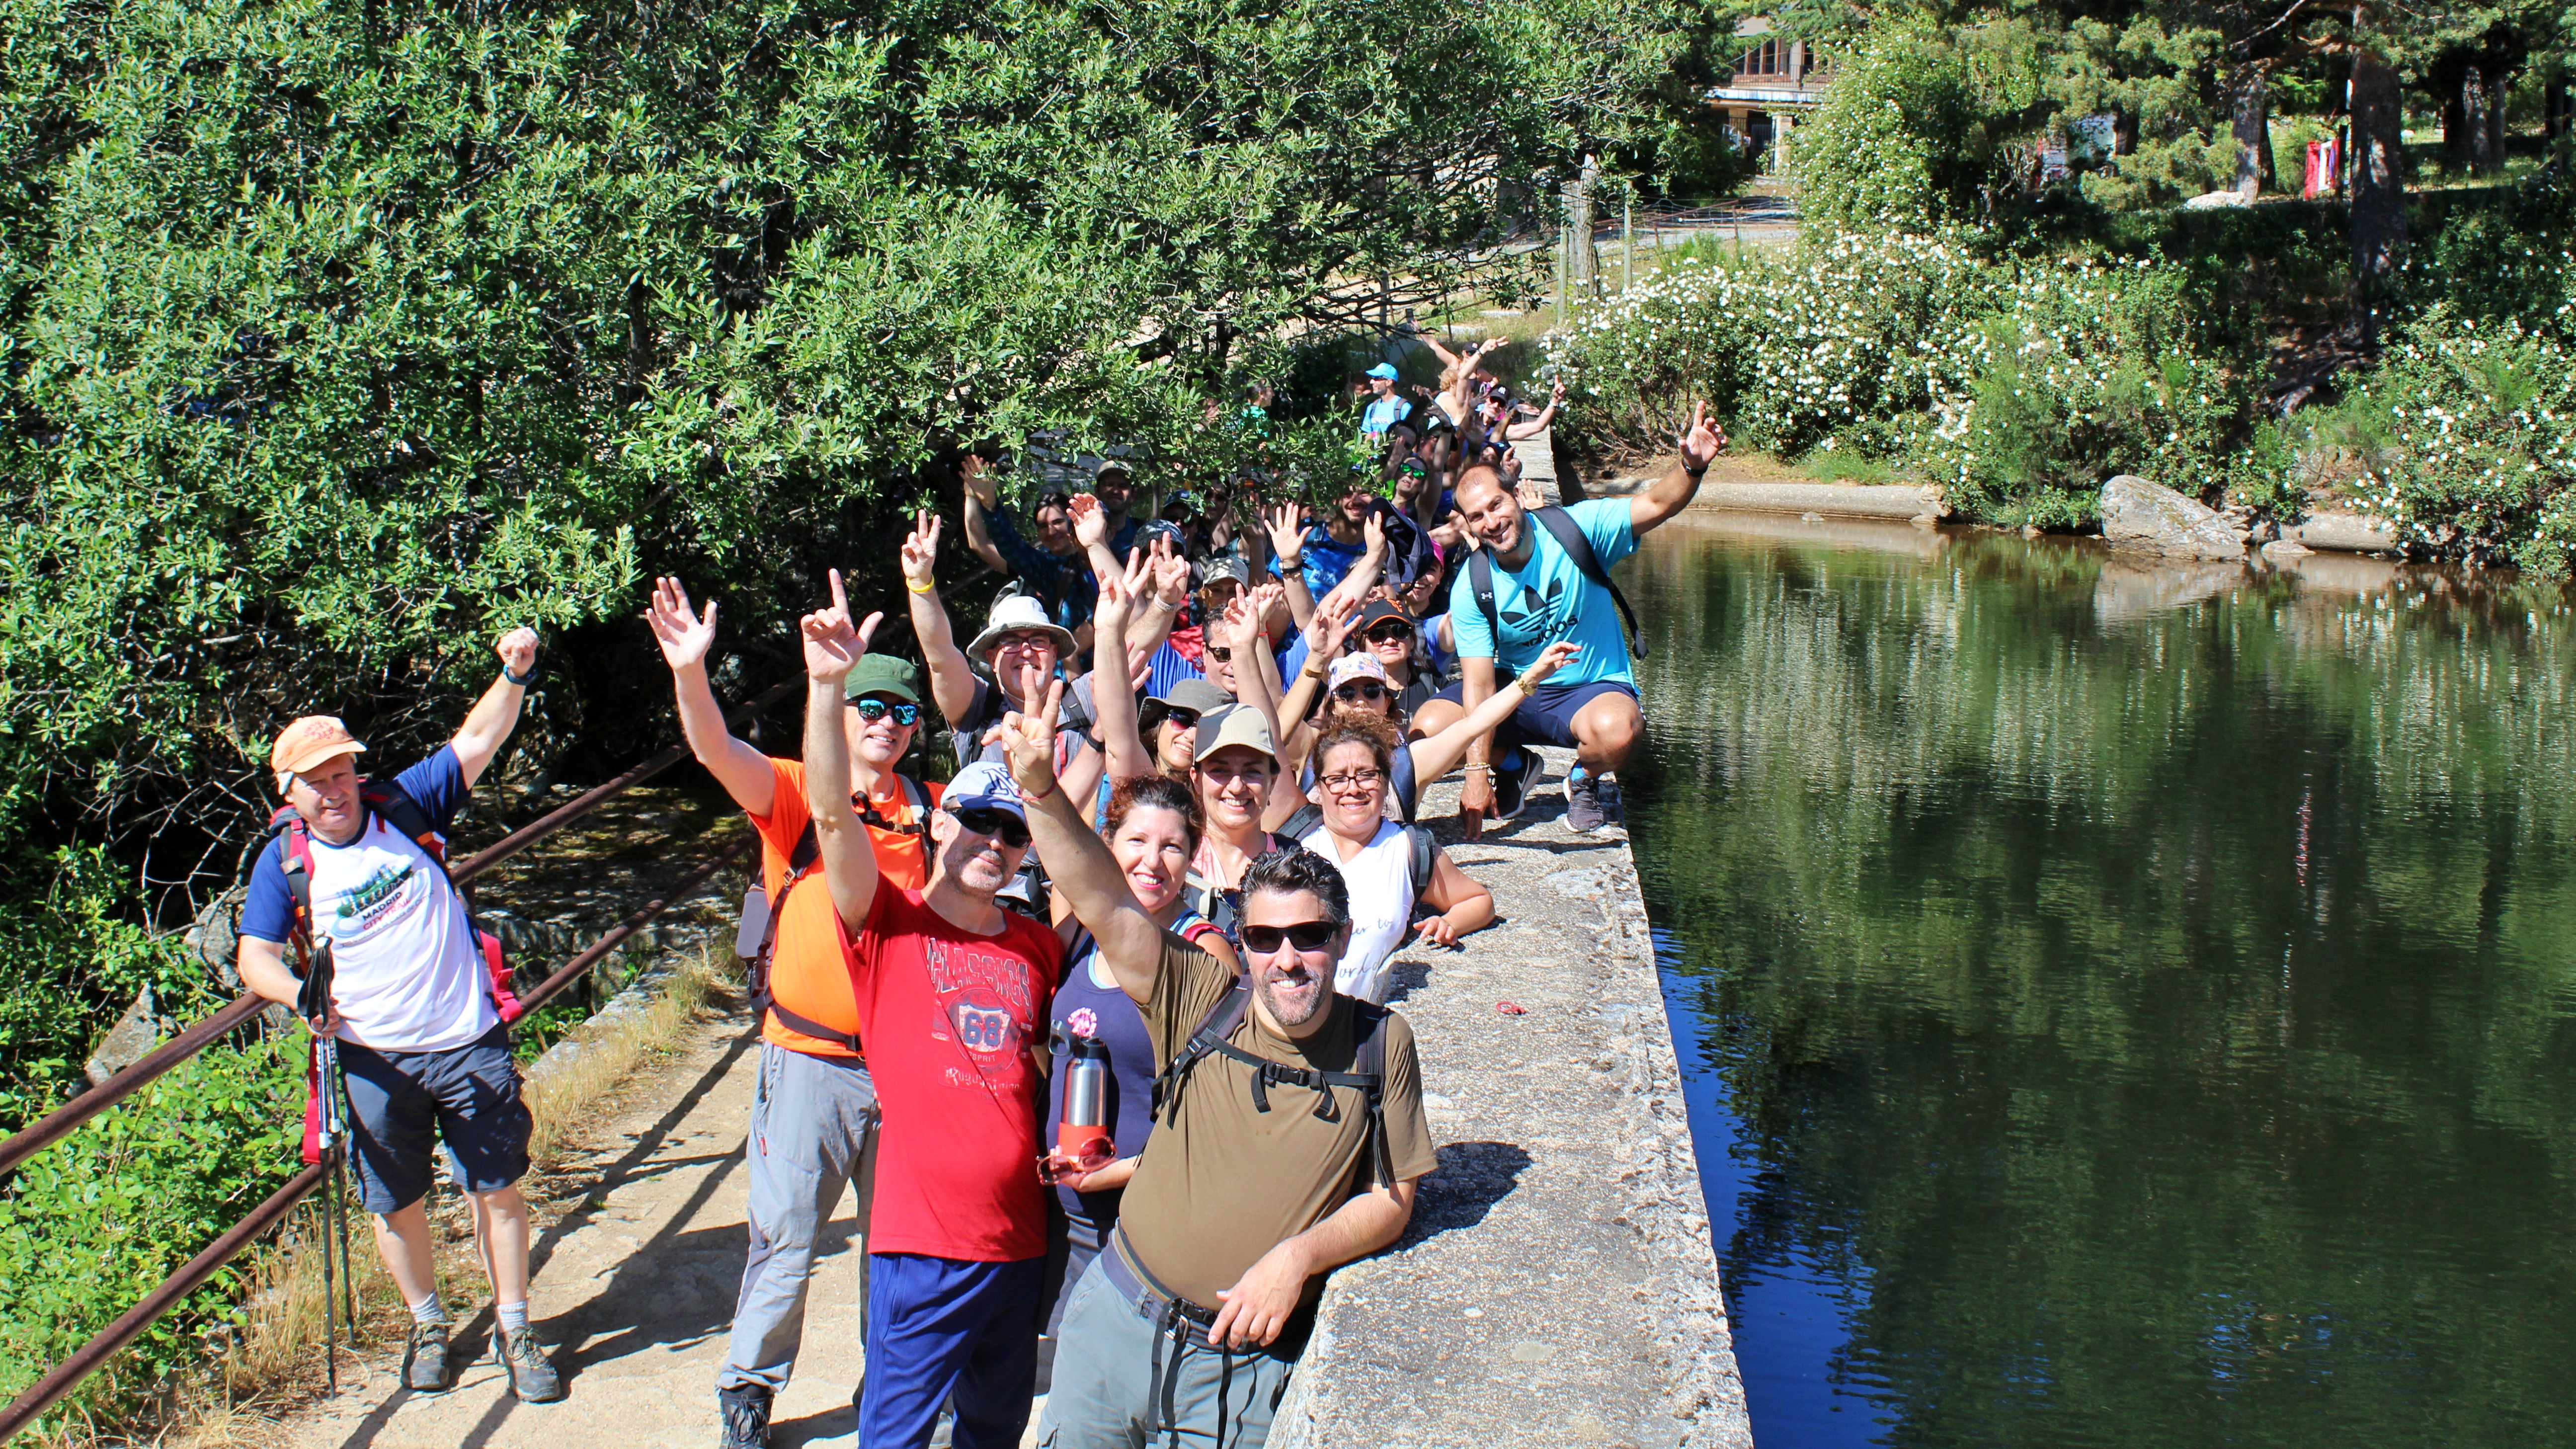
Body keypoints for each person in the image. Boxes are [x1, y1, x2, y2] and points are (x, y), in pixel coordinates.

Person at [1000, 694, 1434, 1448]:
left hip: (1236, 1370)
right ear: (1246, 939)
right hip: (1112, 1322)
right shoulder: (1202, 997)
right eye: (1266, 938)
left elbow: (1393, 1199)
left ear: (1344, 935)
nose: (1288, 958)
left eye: (1310, 935)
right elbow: (1101, 896)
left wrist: (1298, 1258)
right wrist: (1040, 787)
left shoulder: (1379, 1044)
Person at [644, 577, 942, 1449]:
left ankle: (889, 1380)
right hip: (807, 1059)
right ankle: (748, 1388)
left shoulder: (930, 812)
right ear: (840, 708)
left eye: (902, 711)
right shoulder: (794, 796)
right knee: (785, 1235)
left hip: (902, 1063)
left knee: (897, 1240)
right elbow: (713, 750)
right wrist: (690, 674)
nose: (887, 722)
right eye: (870, 705)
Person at [235, 628, 564, 1405]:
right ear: (290, 791)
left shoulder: (406, 804)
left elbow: (479, 737)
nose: (336, 788)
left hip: (467, 1040)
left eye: (343, 770)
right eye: (317, 780)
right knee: (396, 1201)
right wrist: (300, 998)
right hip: (374, 1060)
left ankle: (517, 1326)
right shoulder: (283, 863)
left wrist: (515, 672)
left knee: (499, 1187)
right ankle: (427, 1324)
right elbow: (256, 958)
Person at [795, 571, 1064, 1449]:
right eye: (979, 821)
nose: (994, 841)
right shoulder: (886, 926)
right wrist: (827, 685)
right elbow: (832, 818)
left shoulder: (1036, 947)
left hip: (1020, 1246)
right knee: (896, 1436)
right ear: (938, 825)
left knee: (991, 1433)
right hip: (922, 1248)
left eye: (1013, 829)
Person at [1414, 400, 1728, 835]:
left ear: (1517, 497)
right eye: (1478, 517)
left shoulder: (1577, 529)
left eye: (1497, 505)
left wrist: (1690, 467)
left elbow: (1656, 503)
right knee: (1428, 730)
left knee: (1618, 732)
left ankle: (1583, 778)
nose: (1492, 522)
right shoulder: (1473, 583)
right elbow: (1480, 683)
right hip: (1515, 693)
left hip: (1589, 689)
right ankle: (1516, 764)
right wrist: (1477, 774)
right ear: (1468, 525)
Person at [1274, 601, 1582, 824]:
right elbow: (1274, 733)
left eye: (1371, 691)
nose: (1360, 701)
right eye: (1346, 692)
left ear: (1387, 702)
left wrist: (1531, 677)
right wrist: (1314, 659)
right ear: (1333, 704)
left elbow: (1475, 724)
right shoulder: (1310, 749)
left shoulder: (1410, 763)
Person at [1291, 718, 1494, 1004]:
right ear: (1319, 789)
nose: (1353, 788)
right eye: (1337, 778)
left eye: (1367, 775)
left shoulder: (1409, 849)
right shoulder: (1296, 848)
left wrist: (1449, 923)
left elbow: (1479, 901)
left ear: (1386, 784)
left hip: (1359, 1024)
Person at [1358, 361, 1411, 437]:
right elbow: (1369, 436)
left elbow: (1412, 438)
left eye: (1377, 378)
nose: (1371, 382)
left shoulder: (1404, 408)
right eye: (1372, 378)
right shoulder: (1372, 408)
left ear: (1389, 382)